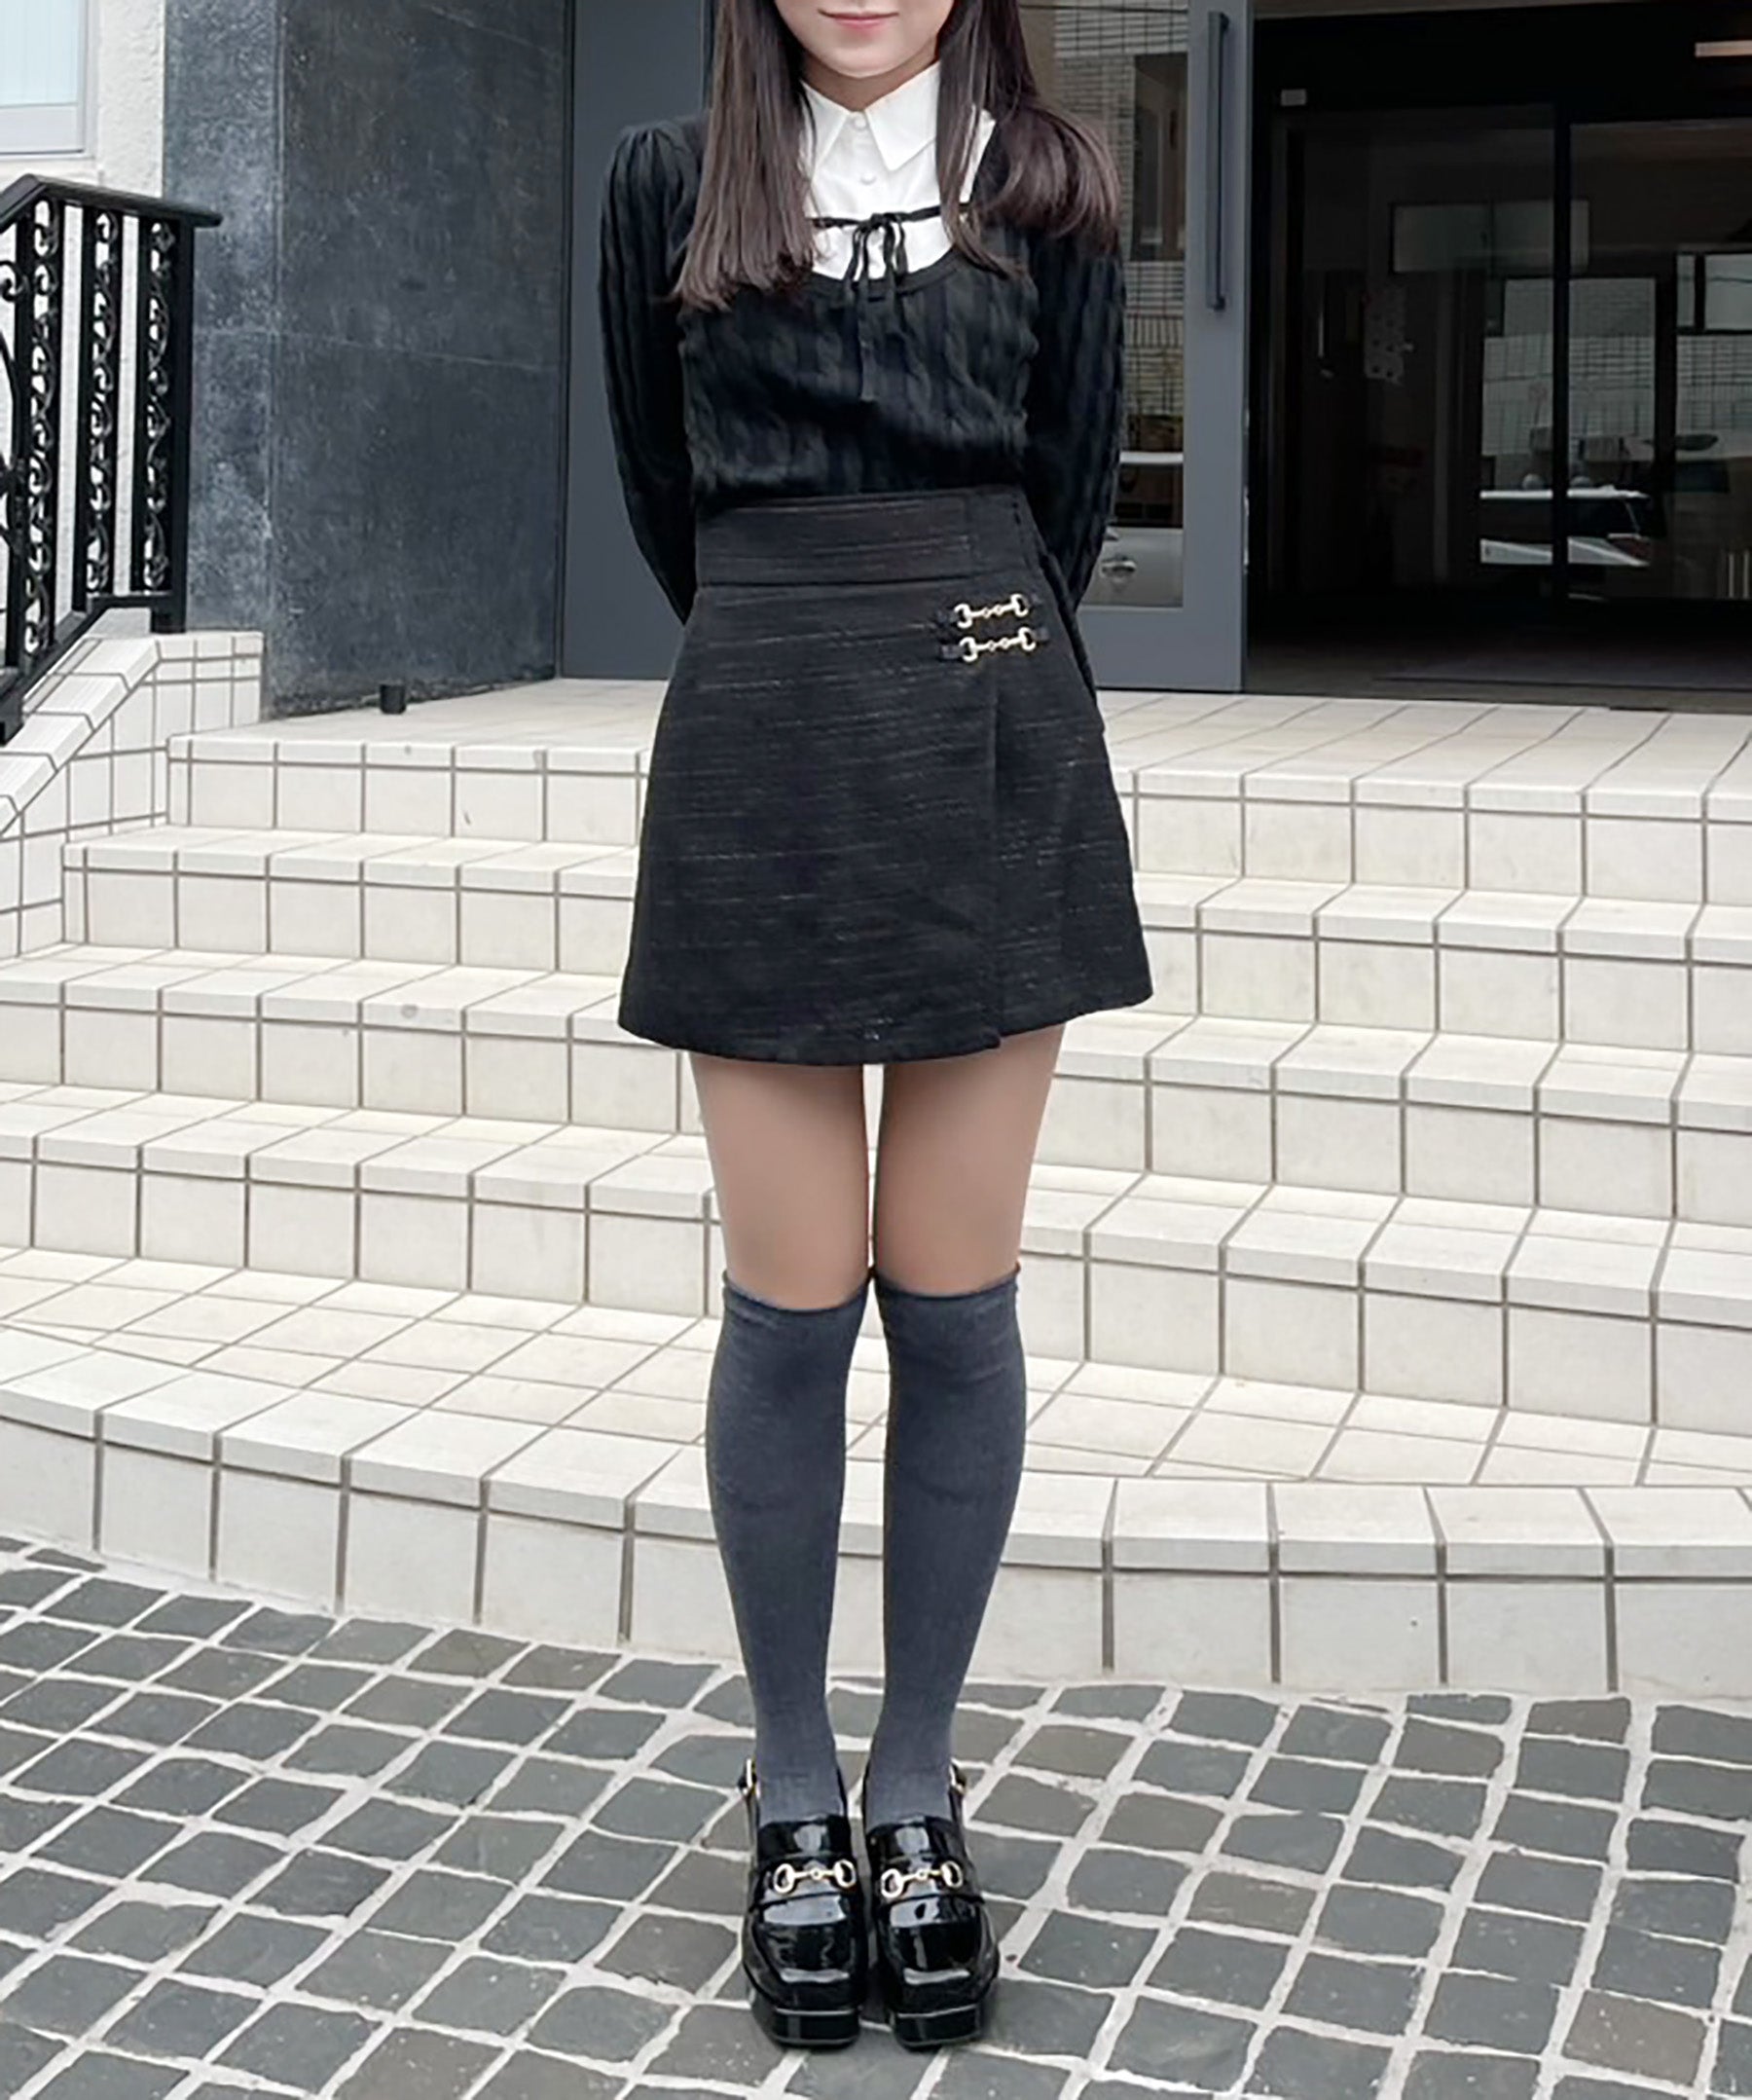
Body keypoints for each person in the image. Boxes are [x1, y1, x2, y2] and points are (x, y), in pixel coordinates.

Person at [598, 0, 1152, 2054]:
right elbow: (663, 495)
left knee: (954, 1298)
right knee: (791, 1301)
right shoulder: (668, 183)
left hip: (992, 735)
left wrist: (941, 634)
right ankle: (794, 1779)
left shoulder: (1053, 184)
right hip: (760, 733)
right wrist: (802, 637)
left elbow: (1066, 497)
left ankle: (917, 1778)